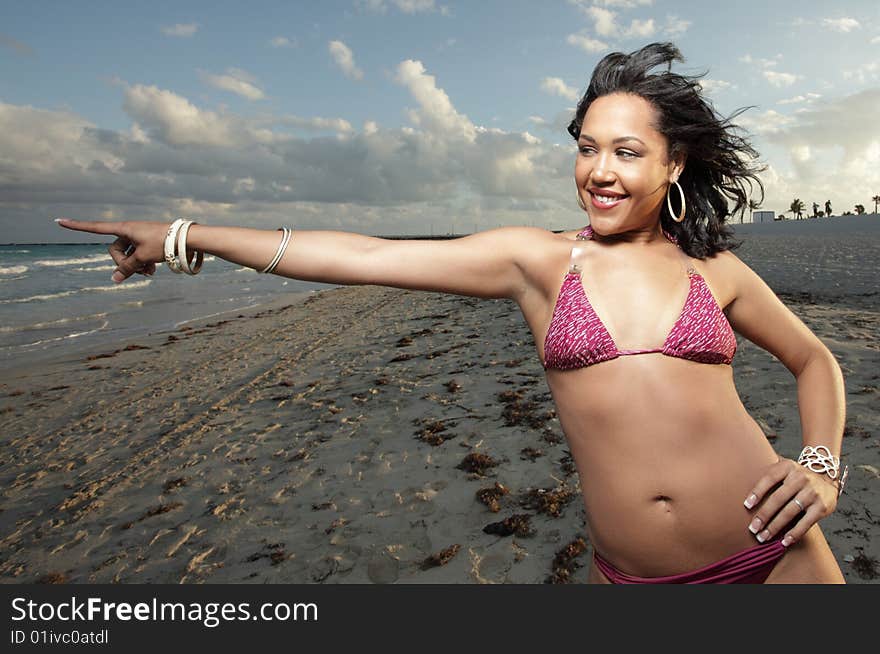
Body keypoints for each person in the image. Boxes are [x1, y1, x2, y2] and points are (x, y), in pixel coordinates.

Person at [56, 42, 848, 584]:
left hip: (775, 557)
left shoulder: (716, 270)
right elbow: (362, 256)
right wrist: (183, 236)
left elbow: (816, 361)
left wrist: (820, 468)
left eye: (627, 152)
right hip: (632, 575)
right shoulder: (538, 263)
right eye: (586, 148)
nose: (599, 172)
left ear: (674, 163)